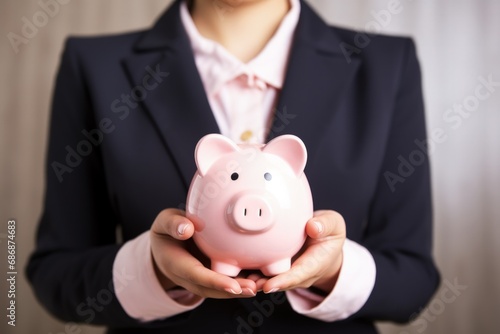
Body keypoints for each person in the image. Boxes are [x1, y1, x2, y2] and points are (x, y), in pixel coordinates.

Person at [27, 0, 440, 333]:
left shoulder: (386, 65)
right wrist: (152, 269)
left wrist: (335, 270)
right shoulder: (94, 66)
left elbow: (413, 284)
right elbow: (56, 276)